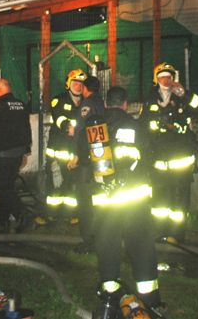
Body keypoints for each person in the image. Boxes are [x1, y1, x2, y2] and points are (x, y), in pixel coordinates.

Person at [76, 86, 163, 318]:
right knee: (142, 246)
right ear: (125, 104)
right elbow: (150, 154)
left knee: (108, 246)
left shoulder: (95, 127)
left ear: (105, 104)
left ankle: (111, 295)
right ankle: (149, 298)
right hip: (135, 199)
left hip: (106, 200)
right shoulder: (137, 126)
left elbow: (84, 156)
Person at [143, 62, 198, 244]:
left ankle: (177, 234)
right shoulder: (150, 99)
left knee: (179, 199)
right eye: (162, 76)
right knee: (160, 199)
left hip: (180, 159)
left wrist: (185, 94)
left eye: (169, 76)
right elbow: (144, 125)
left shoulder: (182, 97)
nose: (166, 80)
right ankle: (159, 231)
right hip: (159, 159)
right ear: (156, 79)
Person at [0, 78, 32, 232]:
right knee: (7, 186)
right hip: (17, 154)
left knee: (2, 188)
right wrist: (25, 151)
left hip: (3, 155)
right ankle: (1, 219)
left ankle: (21, 213)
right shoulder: (21, 105)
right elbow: (26, 130)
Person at [43, 69, 87, 225]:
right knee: (55, 184)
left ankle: (70, 215)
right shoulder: (58, 100)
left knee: (71, 185)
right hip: (58, 152)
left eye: (81, 83)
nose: (78, 86)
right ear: (68, 84)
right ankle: (50, 215)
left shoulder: (85, 102)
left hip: (74, 152)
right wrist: (68, 126)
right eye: (75, 83)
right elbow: (59, 116)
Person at [72, 74, 106, 247]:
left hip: (86, 159)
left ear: (85, 89)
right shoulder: (102, 103)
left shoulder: (87, 104)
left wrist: (77, 155)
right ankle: (99, 234)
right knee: (97, 197)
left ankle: (88, 239)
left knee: (84, 199)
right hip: (100, 157)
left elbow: (80, 131)